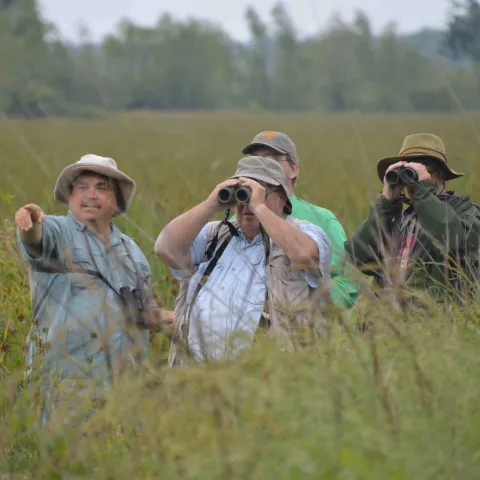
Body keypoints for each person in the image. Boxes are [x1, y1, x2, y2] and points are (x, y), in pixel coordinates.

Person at [15, 154, 166, 425]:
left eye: (101, 187)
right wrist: (29, 219)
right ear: (70, 196)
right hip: (66, 388)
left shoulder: (132, 251)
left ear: (117, 200)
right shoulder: (58, 232)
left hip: (124, 390)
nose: (90, 195)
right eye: (81, 187)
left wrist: (175, 319)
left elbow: (144, 313)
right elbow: (35, 239)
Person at [155, 156, 332, 364]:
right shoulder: (217, 234)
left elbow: (305, 254)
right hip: (199, 375)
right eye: (243, 194)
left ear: (282, 199)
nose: (247, 202)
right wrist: (211, 204)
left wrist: (259, 207)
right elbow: (165, 248)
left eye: (262, 191)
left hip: (270, 377)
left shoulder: (303, 231)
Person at [345, 133, 480, 305]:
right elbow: (357, 256)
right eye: (407, 175)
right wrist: (386, 203)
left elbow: (453, 240)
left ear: (441, 175)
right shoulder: (397, 219)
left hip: (439, 322)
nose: (412, 182)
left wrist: (424, 193)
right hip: (391, 324)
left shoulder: (465, 211)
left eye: (420, 172)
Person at [238, 131, 359, 309]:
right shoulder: (239, 219)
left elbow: (349, 283)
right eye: (254, 160)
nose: (261, 166)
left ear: (294, 169)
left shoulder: (322, 220)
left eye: (271, 159)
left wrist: (310, 307)